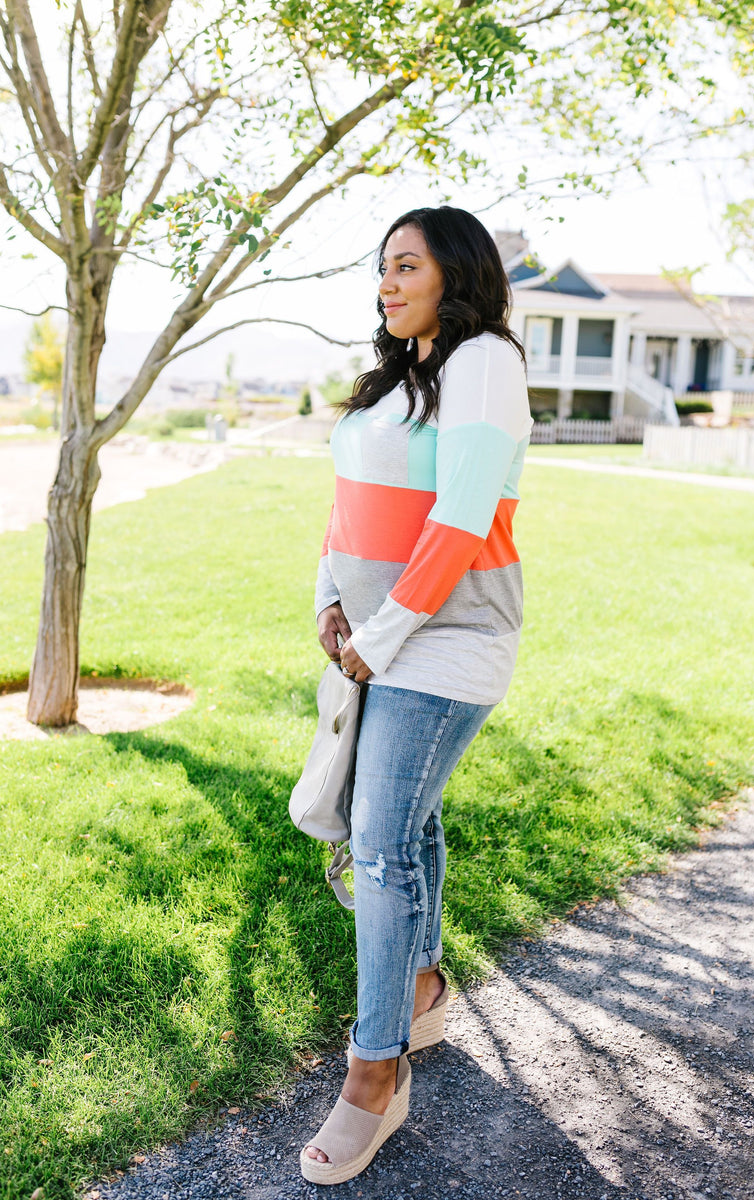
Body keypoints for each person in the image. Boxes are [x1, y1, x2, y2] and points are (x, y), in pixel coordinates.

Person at [301, 205, 531, 1185]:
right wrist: (328, 599)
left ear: (456, 275)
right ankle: (424, 985)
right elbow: (350, 501)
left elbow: (463, 515)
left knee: (380, 840)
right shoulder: (398, 378)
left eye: (405, 266)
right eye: (380, 270)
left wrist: (380, 636)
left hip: (447, 642)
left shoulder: (483, 361)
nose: (385, 284)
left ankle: (374, 1071)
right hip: (378, 638)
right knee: (412, 824)